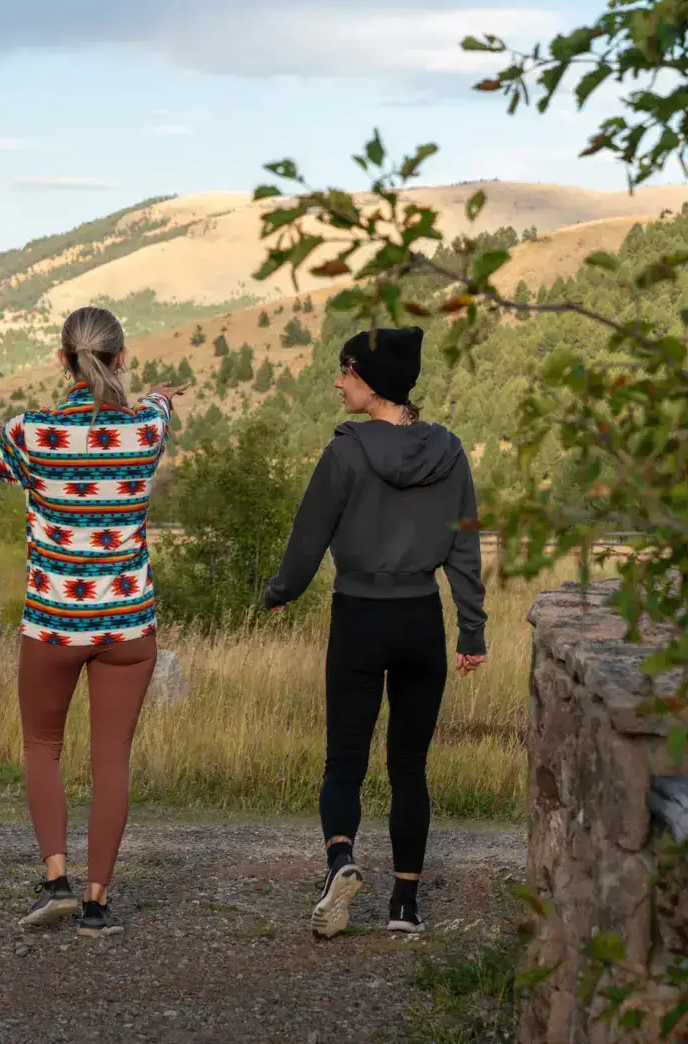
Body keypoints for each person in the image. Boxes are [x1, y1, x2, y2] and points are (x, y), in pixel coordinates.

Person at [0, 307, 187, 938]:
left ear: (63, 360)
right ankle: (96, 903)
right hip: (128, 626)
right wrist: (162, 394)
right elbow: (160, 408)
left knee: (41, 748)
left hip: (54, 621)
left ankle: (55, 879)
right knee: (112, 757)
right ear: (121, 359)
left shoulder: (33, 433)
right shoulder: (144, 430)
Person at [261, 325, 487, 938]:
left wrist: (279, 592)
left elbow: (308, 537)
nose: (337, 382)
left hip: (359, 616)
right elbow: (464, 549)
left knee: (345, 761)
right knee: (409, 764)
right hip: (421, 620)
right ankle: (405, 908)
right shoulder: (450, 453)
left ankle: (341, 860)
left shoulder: (346, 452)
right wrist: (472, 632)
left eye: (345, 372)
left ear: (368, 380)